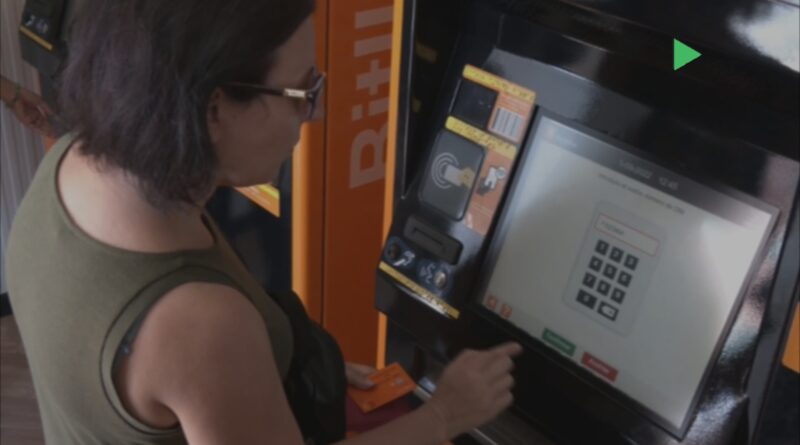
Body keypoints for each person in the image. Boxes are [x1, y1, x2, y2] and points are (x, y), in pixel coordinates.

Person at [5, 1, 521, 444]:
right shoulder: (202, 325)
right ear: (214, 110)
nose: (316, 114)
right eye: (302, 93)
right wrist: (444, 415)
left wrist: (266, 378)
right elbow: (198, 350)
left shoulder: (72, 162)